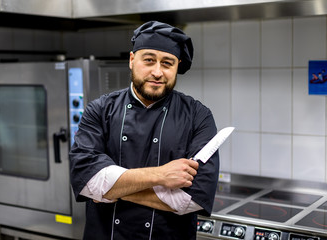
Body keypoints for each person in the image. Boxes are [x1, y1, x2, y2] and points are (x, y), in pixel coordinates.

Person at [69, 21, 219, 240]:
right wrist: (160, 175)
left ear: (177, 67)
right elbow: (87, 181)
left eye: (167, 63)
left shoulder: (198, 116)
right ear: (132, 60)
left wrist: (111, 190)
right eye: (149, 60)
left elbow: (192, 200)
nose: (157, 72)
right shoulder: (100, 110)